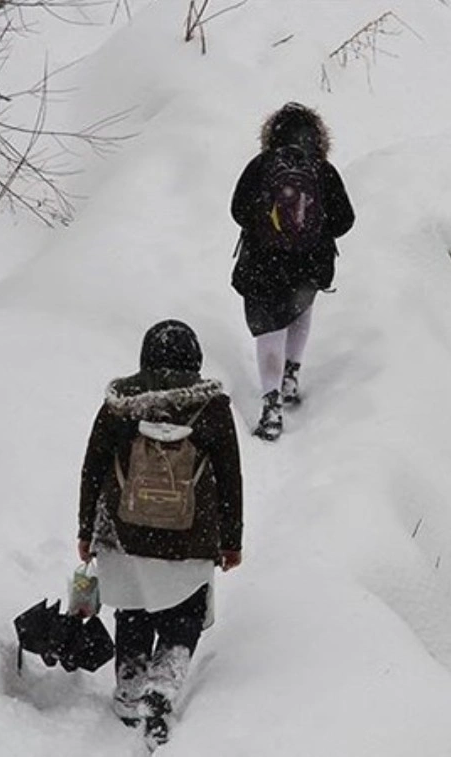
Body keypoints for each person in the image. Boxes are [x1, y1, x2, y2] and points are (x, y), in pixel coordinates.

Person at [78, 320, 243, 749]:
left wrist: (85, 531)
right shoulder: (212, 408)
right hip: (189, 536)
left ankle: (130, 686)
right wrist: (232, 540)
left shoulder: (120, 404)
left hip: (123, 531)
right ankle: (162, 686)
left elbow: (93, 468)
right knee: (183, 614)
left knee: (133, 609)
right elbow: (230, 477)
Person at [230, 101, 355, 440]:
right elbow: (345, 220)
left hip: (262, 265)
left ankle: (271, 404)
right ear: (317, 137)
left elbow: (238, 210)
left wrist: (268, 227)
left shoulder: (261, 165)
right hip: (308, 266)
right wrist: (312, 230)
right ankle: (291, 375)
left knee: (268, 329)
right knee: (299, 308)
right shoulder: (323, 170)